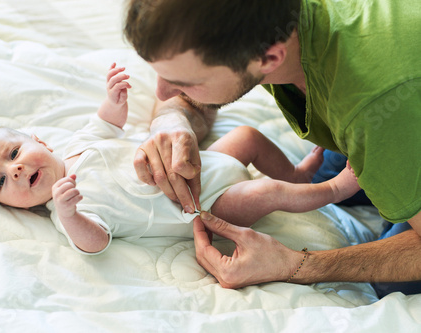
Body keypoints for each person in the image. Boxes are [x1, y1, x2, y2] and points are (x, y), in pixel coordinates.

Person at [123, 0, 421, 296]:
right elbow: (189, 95)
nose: (160, 92)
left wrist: (294, 265)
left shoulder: (372, 109)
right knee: (319, 183)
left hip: (393, 111)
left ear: (269, 59)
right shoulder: (266, 26)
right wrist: (171, 119)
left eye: (185, 82)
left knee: (392, 283)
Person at [0, 64, 360, 255]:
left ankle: (299, 172)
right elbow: (95, 243)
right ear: (11, 206)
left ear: (39, 141)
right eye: (2, 182)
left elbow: (107, 123)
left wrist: (113, 100)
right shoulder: (64, 213)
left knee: (247, 137)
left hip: (203, 164)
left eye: (14, 153)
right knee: (268, 192)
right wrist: (70, 216)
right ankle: (334, 188)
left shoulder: (75, 146)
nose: (14, 169)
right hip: (206, 208)